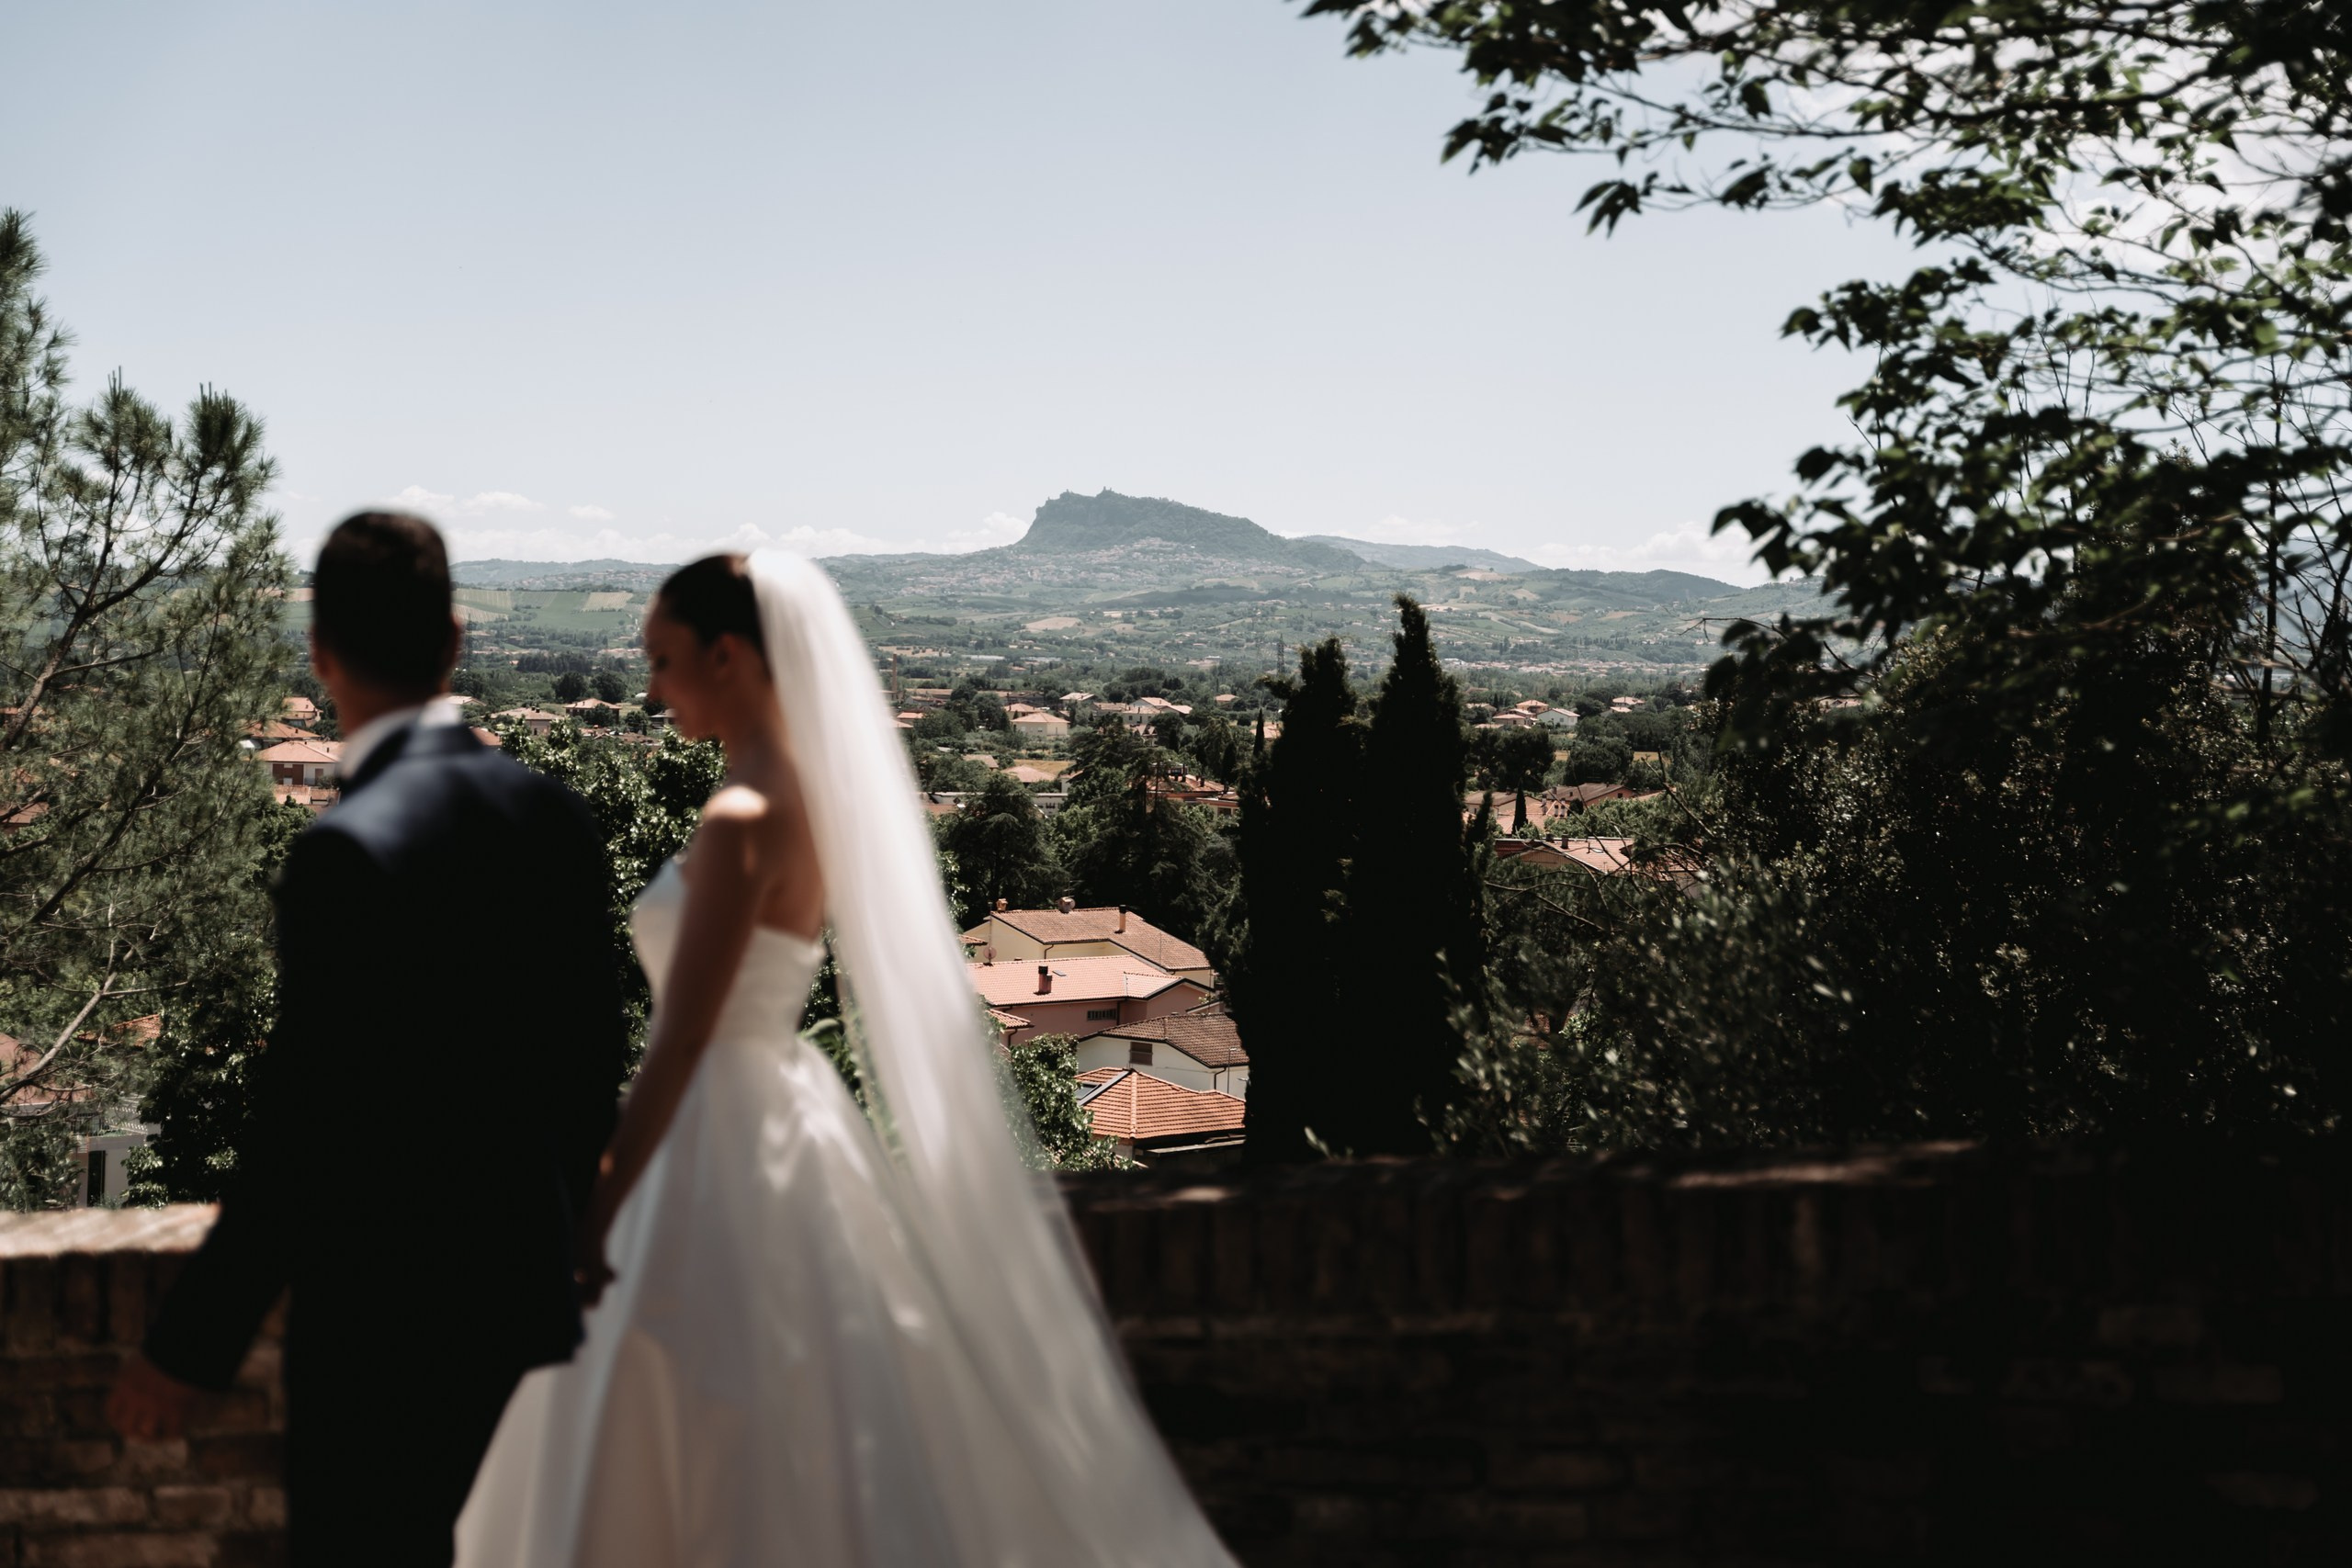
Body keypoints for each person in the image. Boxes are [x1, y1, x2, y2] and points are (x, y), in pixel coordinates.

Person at [456, 552, 1235, 1566]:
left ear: (728, 655)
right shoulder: (813, 805)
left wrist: (594, 1209)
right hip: (787, 1117)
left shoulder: (740, 820)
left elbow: (683, 1037)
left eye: (660, 658)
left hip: (711, 1129)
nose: (646, 687)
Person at [108, 513, 628, 1567]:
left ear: (320, 653)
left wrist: (188, 1349)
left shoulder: (344, 852)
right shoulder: (557, 822)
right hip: (533, 1327)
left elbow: (304, 1127)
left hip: (381, 1342)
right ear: (451, 642)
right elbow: (590, 1076)